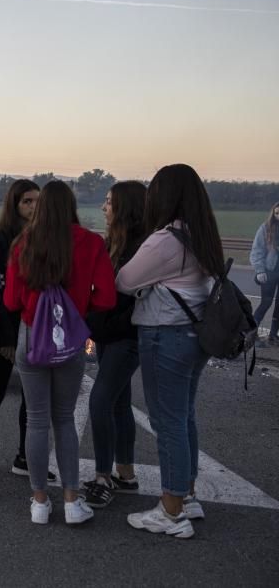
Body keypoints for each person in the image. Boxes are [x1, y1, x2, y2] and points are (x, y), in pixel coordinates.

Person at [116, 163, 224, 539]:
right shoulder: (201, 234)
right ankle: (187, 494)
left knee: (168, 423)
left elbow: (125, 281)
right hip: (195, 337)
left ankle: (171, 510)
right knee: (183, 417)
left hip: (166, 336)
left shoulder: (166, 240)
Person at [4, 181, 116, 525]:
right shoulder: (91, 242)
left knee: (36, 420)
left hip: (30, 338)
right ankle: (71, 500)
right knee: (64, 419)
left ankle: (39, 502)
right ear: (71, 206)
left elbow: (10, 301)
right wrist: (78, 307)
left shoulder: (22, 243)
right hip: (71, 338)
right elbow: (107, 299)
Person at [0, 179, 55, 483]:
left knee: (33, 401)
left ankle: (24, 456)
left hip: (35, 329)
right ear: (14, 205)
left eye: (37, 201)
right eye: (27, 202)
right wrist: (5, 339)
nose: (33, 207)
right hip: (6, 331)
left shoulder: (42, 239)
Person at [82, 181, 147, 509]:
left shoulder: (141, 248)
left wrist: (100, 326)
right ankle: (126, 474)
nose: (103, 208)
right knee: (120, 405)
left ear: (126, 207)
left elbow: (135, 303)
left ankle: (103, 478)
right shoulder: (113, 244)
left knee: (99, 402)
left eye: (109, 202)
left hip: (125, 339)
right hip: (106, 337)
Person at [250, 202, 279, 345]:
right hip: (269, 271)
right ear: (273, 213)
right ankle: (251, 333)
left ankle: (273, 336)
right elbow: (257, 251)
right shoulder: (265, 228)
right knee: (266, 302)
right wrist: (260, 270)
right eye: (277, 213)